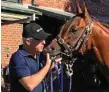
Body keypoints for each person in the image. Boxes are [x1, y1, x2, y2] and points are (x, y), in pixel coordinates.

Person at [9, 23, 62, 92]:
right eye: (39, 40)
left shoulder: (39, 54)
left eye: (44, 39)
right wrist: (48, 65)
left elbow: (43, 71)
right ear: (28, 41)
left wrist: (54, 63)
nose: (44, 42)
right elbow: (30, 85)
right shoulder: (18, 57)